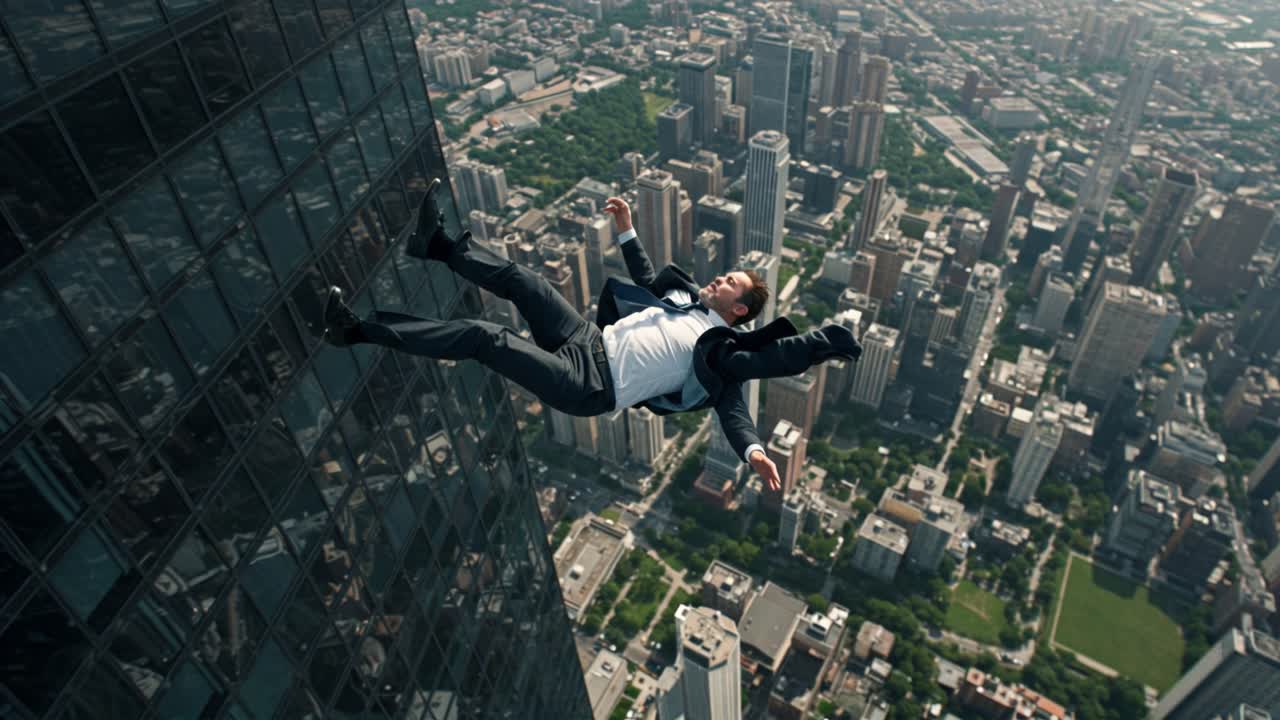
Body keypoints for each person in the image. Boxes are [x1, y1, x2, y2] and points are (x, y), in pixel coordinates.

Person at [322, 180, 861, 491]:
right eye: (725, 274)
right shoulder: (685, 298)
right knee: (524, 281)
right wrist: (626, 226)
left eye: (731, 283)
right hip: (586, 338)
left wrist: (755, 452)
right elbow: (647, 277)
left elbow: (741, 408)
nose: (719, 277)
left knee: (488, 339)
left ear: (740, 309)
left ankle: (355, 330)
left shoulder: (723, 355)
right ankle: (438, 246)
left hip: (590, 384)